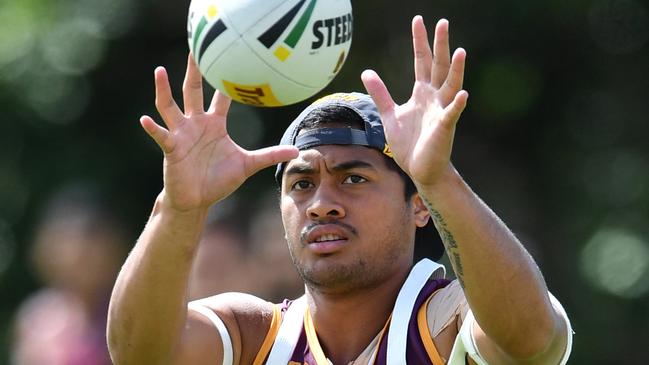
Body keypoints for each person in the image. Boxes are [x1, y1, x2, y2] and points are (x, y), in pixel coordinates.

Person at [107, 16, 573, 364]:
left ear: (419, 207)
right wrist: (179, 209)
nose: (322, 205)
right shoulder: (256, 336)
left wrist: (438, 180)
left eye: (354, 179)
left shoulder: (443, 321)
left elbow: (533, 341)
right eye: (302, 184)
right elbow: (139, 355)